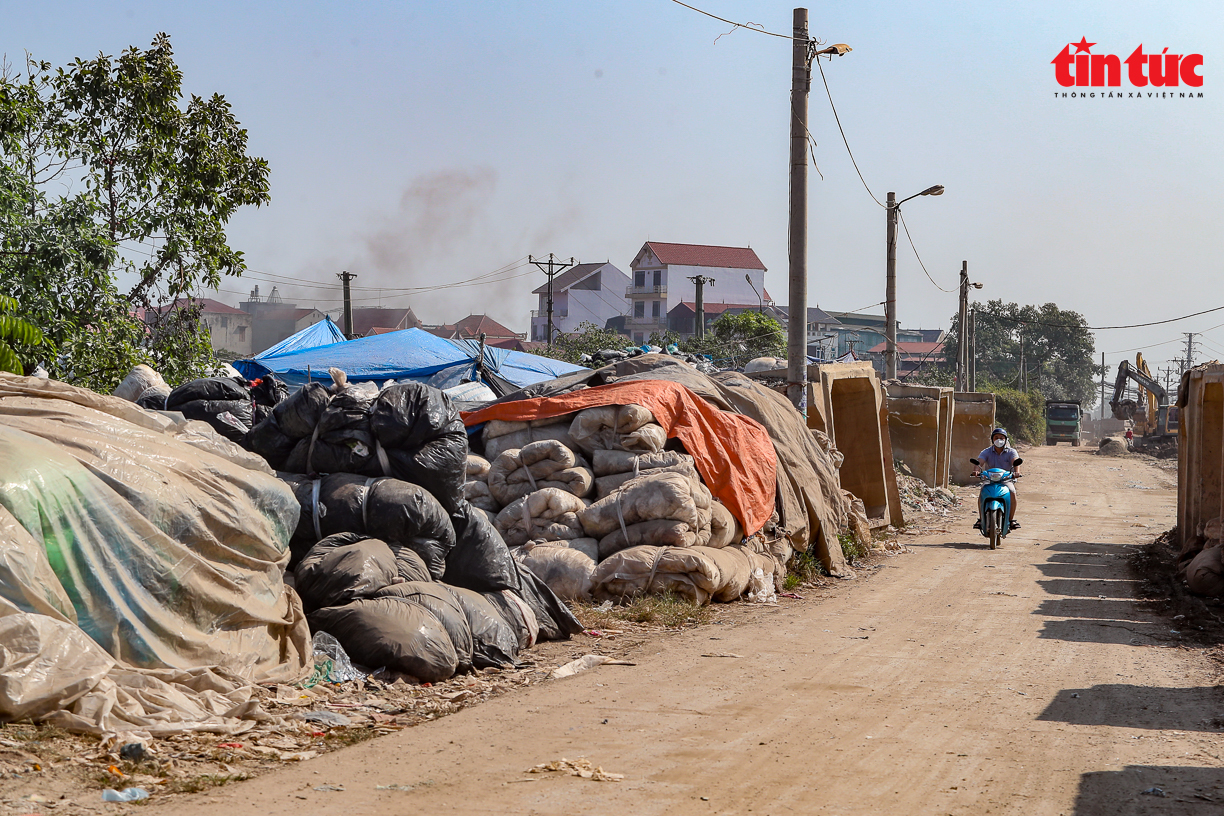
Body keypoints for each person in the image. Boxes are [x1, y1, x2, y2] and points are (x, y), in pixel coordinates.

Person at [972, 427, 1021, 530]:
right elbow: (979, 462)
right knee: (982, 493)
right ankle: (981, 519)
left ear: (1006, 439)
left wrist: (1017, 472)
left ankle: (1011, 520)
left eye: (1002, 438)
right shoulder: (986, 451)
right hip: (989, 480)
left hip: (1006, 479)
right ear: (992, 439)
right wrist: (976, 470)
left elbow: (1015, 461)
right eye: (996, 437)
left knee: (1012, 492)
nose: (999, 440)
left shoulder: (1011, 452)